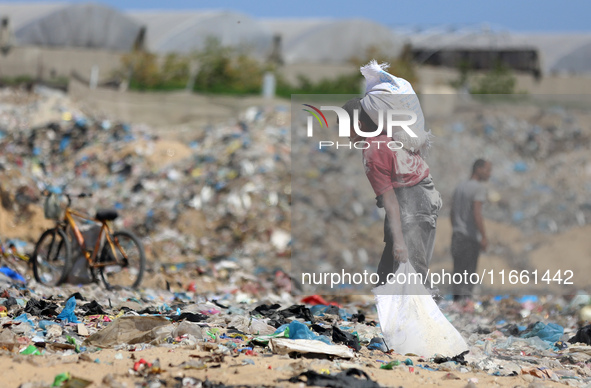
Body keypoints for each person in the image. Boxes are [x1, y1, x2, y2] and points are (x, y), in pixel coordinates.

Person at [342, 61, 442, 287]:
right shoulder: (388, 137)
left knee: (414, 276)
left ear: (357, 124)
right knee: (388, 278)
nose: (345, 136)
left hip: (413, 205)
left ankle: (430, 320)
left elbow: (391, 201)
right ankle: (394, 321)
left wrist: (399, 242)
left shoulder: (372, 151)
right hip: (425, 197)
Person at [450, 159, 492, 299]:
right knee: (468, 276)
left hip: (457, 236)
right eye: (487, 170)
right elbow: (477, 214)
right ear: (478, 169)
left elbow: (452, 213)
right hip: (469, 238)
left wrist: (457, 227)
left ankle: (458, 306)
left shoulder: (459, 187)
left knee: (458, 275)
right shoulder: (478, 188)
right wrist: (484, 236)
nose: (489, 174)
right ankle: (465, 305)